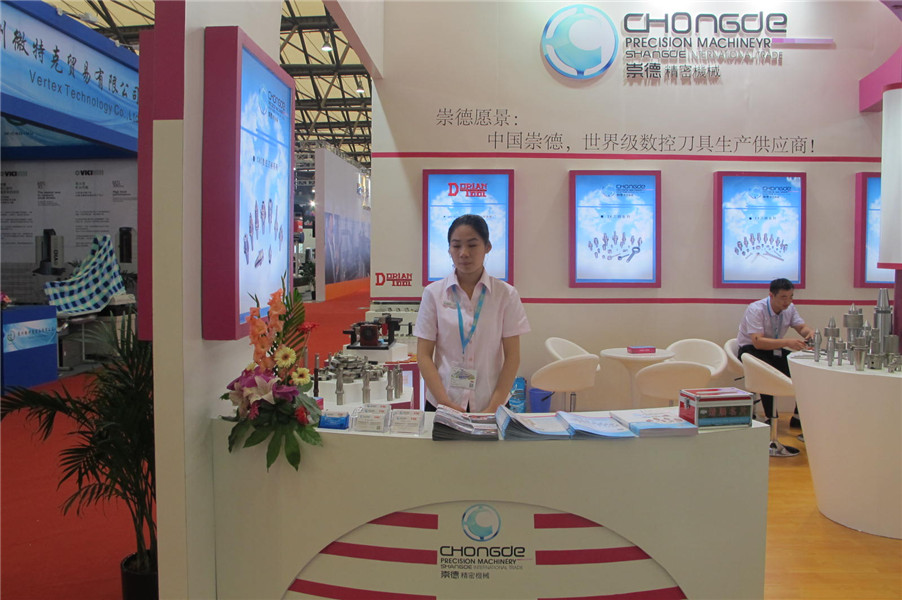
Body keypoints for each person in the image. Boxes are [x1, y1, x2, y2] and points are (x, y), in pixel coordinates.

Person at [414, 214, 530, 413]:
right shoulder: (433, 293)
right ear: (449, 249)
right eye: (456, 246)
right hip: (443, 401)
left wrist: (494, 407)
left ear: (487, 247)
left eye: (472, 245)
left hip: (490, 401)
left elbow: (513, 357)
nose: (464, 253)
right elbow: (424, 355)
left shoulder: (505, 294)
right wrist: (445, 403)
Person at [737, 277, 814, 428]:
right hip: (750, 350)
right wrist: (787, 342)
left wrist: (810, 334)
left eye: (791, 297)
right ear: (771, 295)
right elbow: (758, 341)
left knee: (803, 370)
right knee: (766, 372)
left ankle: (798, 418)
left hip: (774, 349)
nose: (787, 301)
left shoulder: (790, 308)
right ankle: (771, 418)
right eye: (783, 297)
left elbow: (801, 327)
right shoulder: (756, 309)